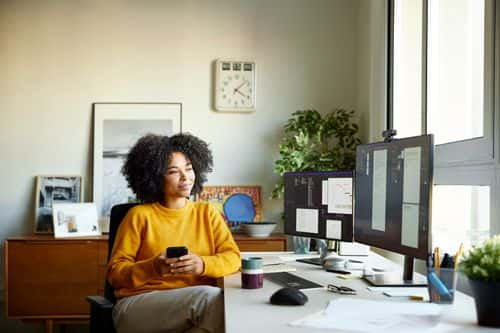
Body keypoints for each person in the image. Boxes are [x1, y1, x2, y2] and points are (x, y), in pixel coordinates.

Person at [107, 133, 241, 333]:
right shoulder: (139, 216)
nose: (185, 177)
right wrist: (153, 267)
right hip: (138, 305)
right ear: (154, 177)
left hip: (197, 308)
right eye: (173, 171)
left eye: (188, 168)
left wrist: (203, 264)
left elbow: (233, 258)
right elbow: (115, 274)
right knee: (212, 299)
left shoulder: (207, 213)